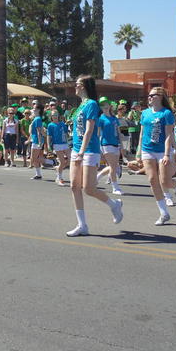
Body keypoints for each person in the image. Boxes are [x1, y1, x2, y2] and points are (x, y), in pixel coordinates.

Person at [66, 75, 123, 237]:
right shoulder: (80, 106)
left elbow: (90, 129)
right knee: (73, 186)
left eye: (77, 84)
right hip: (77, 149)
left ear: (84, 86)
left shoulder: (91, 104)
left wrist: (82, 150)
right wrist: (76, 150)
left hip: (89, 150)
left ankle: (114, 205)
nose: (75, 87)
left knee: (88, 188)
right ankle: (82, 225)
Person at [138, 86, 176, 225]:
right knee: (152, 179)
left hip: (162, 151)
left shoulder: (166, 113)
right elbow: (142, 134)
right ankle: (163, 212)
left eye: (153, 95)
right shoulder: (145, 113)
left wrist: (167, 154)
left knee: (165, 181)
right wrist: (138, 153)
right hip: (147, 149)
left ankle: (175, 185)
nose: (149, 97)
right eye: (149, 95)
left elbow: (168, 135)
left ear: (160, 97)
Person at [96, 97, 123, 195]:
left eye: (106, 103)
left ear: (109, 105)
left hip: (116, 144)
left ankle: (97, 178)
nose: (105, 106)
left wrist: (122, 146)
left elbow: (118, 132)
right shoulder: (101, 119)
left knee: (114, 166)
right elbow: (98, 134)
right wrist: (98, 147)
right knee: (113, 167)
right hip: (106, 144)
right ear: (101, 107)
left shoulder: (114, 118)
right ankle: (115, 187)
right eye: (102, 104)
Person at [47, 111, 70, 186]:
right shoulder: (50, 125)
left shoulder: (62, 124)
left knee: (71, 160)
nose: (55, 116)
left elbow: (67, 134)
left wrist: (68, 141)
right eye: (53, 115)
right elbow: (49, 136)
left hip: (65, 144)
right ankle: (59, 178)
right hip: (57, 145)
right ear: (51, 116)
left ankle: (59, 168)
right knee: (62, 162)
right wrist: (48, 146)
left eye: (56, 115)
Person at [29, 104, 46, 180]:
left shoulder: (38, 119)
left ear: (38, 110)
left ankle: (51, 162)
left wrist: (39, 142)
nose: (33, 109)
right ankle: (38, 174)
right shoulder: (36, 118)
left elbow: (39, 131)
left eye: (35, 108)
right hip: (35, 140)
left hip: (37, 140)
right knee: (34, 158)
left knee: (34, 158)